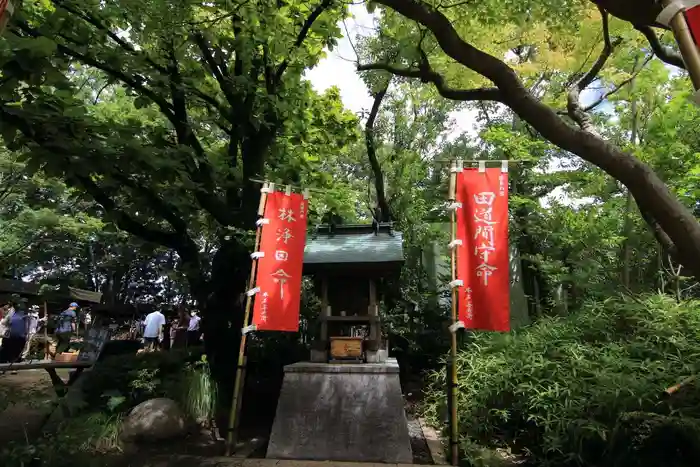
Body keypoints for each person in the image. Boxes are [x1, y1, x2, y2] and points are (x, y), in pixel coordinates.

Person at [0, 298, 29, 364]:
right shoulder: (18, 313)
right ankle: (12, 363)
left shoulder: (22, 314)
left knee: (10, 352)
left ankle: (12, 364)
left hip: (15, 336)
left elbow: (5, 322)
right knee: (11, 352)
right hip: (15, 336)